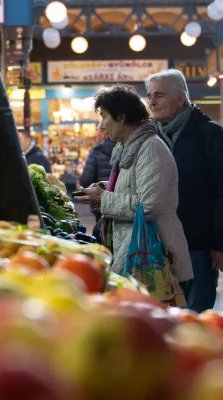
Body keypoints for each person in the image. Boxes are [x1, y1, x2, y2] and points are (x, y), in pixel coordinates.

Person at [77, 84, 193, 290]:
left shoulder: (151, 149)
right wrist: (106, 187)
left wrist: (103, 198)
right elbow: (137, 185)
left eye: (104, 117)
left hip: (152, 253)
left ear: (121, 117)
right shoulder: (128, 147)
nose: (101, 126)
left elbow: (148, 206)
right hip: (133, 246)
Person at [145, 69, 223, 312]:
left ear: (181, 98)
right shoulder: (150, 136)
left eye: (159, 95)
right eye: (149, 95)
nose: (152, 101)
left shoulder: (209, 132)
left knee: (196, 316)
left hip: (198, 244)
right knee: (163, 317)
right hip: (159, 245)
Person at [78, 131, 117, 242]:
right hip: (121, 199)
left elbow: (86, 179)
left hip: (101, 202)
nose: (95, 135)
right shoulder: (124, 147)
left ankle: (107, 255)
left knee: (103, 233)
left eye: (98, 132)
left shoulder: (96, 151)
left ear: (104, 133)